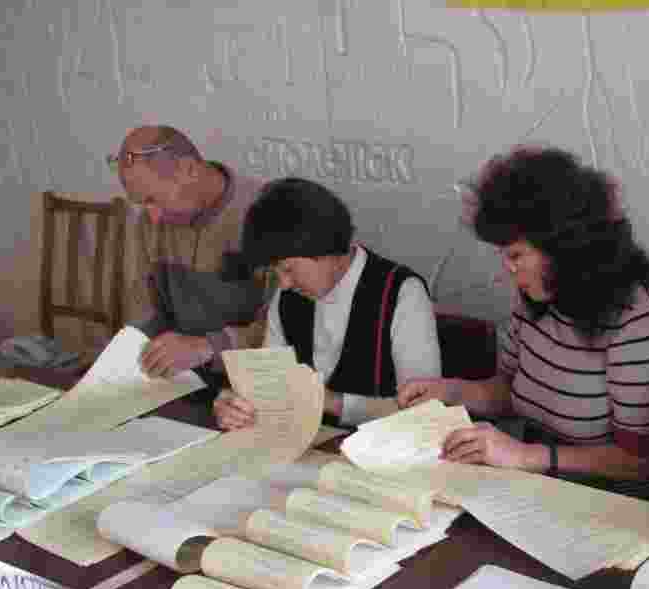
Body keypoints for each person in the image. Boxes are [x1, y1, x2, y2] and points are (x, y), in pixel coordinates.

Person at [398, 147, 649, 508]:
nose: (507, 270)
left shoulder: (641, 318)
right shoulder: (536, 301)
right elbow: (511, 391)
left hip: (632, 505)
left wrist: (525, 456)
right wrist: (451, 391)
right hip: (553, 490)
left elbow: (642, 461)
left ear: (564, 248)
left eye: (515, 256)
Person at [213, 177, 441, 428]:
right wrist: (235, 404)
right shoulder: (288, 296)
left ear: (326, 249)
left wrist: (330, 402)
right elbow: (270, 385)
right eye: (276, 272)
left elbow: (423, 411)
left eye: (288, 269)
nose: (285, 284)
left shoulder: (401, 293)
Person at [109, 125, 269, 383]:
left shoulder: (267, 215)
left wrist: (206, 347)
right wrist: (132, 350)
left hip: (253, 383)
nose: (152, 216)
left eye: (153, 199)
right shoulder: (150, 222)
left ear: (189, 170)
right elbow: (144, 310)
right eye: (141, 203)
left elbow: (286, 334)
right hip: (181, 383)